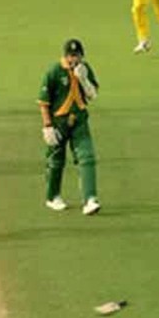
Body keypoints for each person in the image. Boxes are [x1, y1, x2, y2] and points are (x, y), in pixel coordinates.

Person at [37, 39, 101, 216]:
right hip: (59, 122)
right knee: (55, 160)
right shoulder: (54, 72)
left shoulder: (85, 69)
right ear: (65, 56)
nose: (74, 59)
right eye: (71, 56)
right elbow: (43, 102)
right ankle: (53, 196)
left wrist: (84, 79)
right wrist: (47, 126)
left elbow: (93, 95)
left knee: (87, 157)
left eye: (77, 56)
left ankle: (90, 199)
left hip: (79, 121)